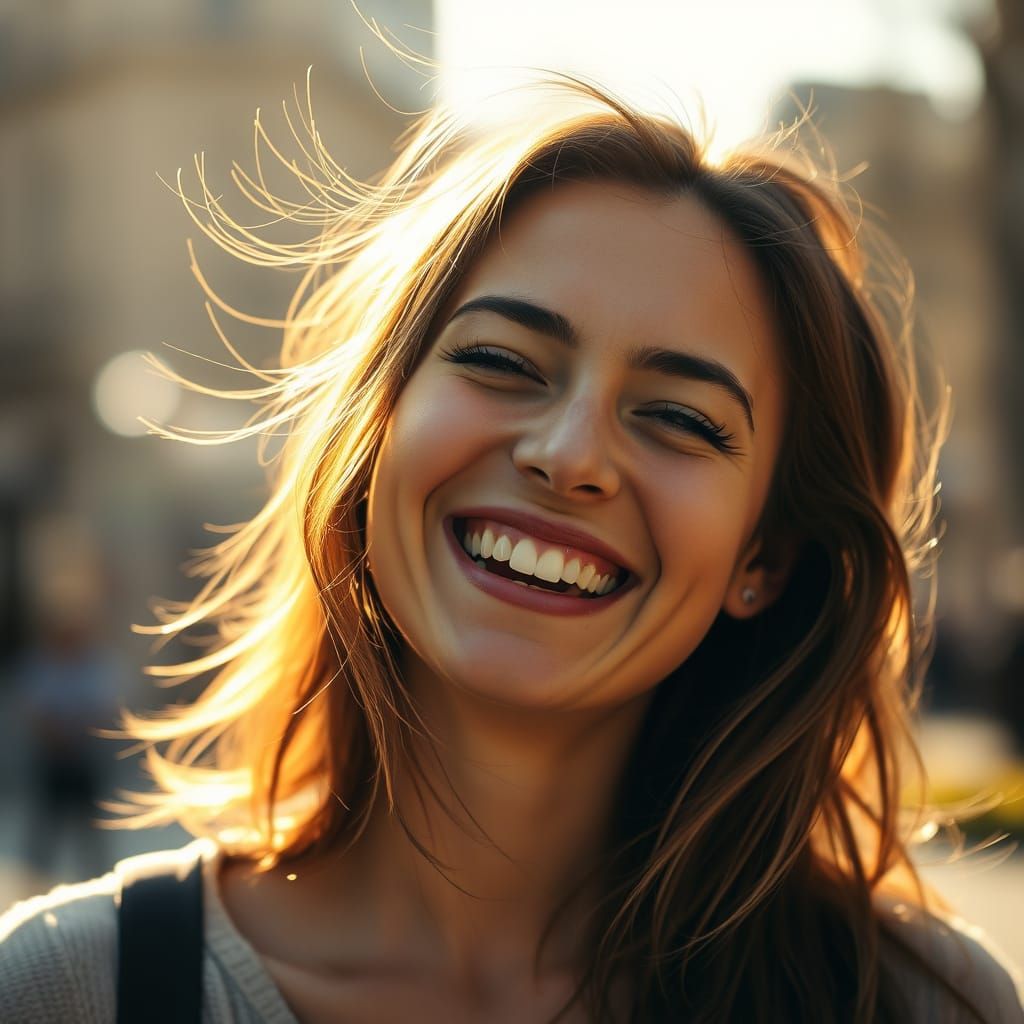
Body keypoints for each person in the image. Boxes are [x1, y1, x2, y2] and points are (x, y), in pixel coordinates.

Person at [1, 76, 1022, 1024]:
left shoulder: (918, 1003)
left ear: (767, 560)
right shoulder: (62, 990)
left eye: (677, 417)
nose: (569, 454)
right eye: (499, 360)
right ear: (376, 433)